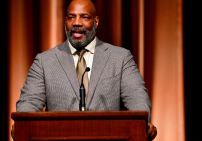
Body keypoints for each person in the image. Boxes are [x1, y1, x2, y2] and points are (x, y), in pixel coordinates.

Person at [15, 0, 157, 140]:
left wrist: (143, 122)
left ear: (96, 22)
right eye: (71, 17)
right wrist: (21, 125)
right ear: (65, 21)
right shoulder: (44, 61)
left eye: (84, 17)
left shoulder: (120, 58)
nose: (77, 23)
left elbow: (137, 100)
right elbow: (29, 103)